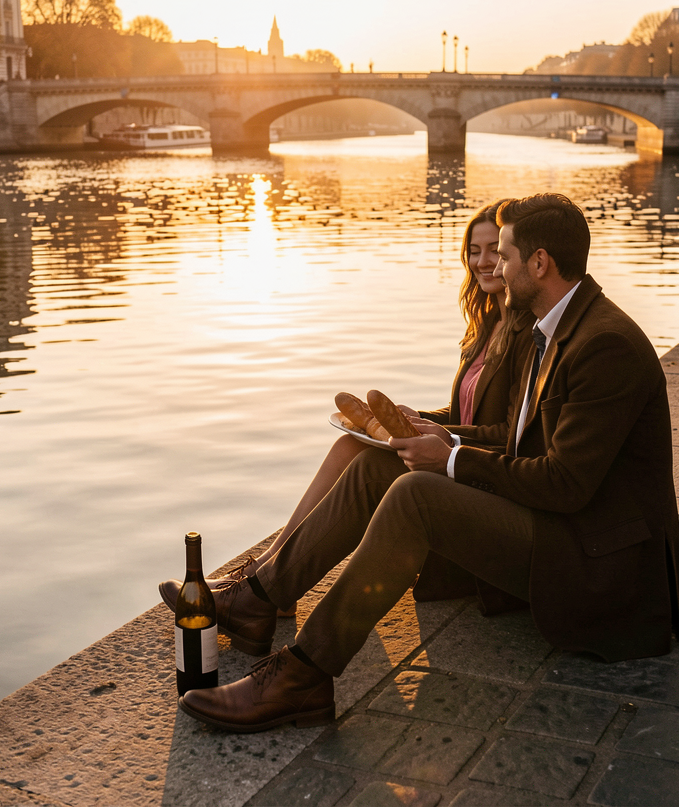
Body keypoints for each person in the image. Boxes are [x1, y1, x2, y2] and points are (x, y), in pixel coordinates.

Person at [175, 192, 679, 733]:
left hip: (598, 564)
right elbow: (521, 445)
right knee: (377, 467)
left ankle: (305, 674)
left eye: (506, 256)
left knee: (416, 494)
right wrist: (442, 434)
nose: (497, 269)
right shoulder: (554, 327)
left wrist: (452, 461)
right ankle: (259, 599)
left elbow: (565, 484)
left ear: (540, 264)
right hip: (563, 528)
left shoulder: (605, 345)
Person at [160, 201, 534, 635]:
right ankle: (266, 577)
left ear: (519, 257)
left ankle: (263, 586)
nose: (484, 261)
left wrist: (439, 432)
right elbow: (469, 410)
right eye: (474, 250)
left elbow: (511, 433)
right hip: (458, 458)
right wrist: (420, 417)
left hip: (477, 482)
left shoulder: (527, 333)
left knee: (368, 466)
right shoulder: (488, 325)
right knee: (351, 442)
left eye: (496, 251)